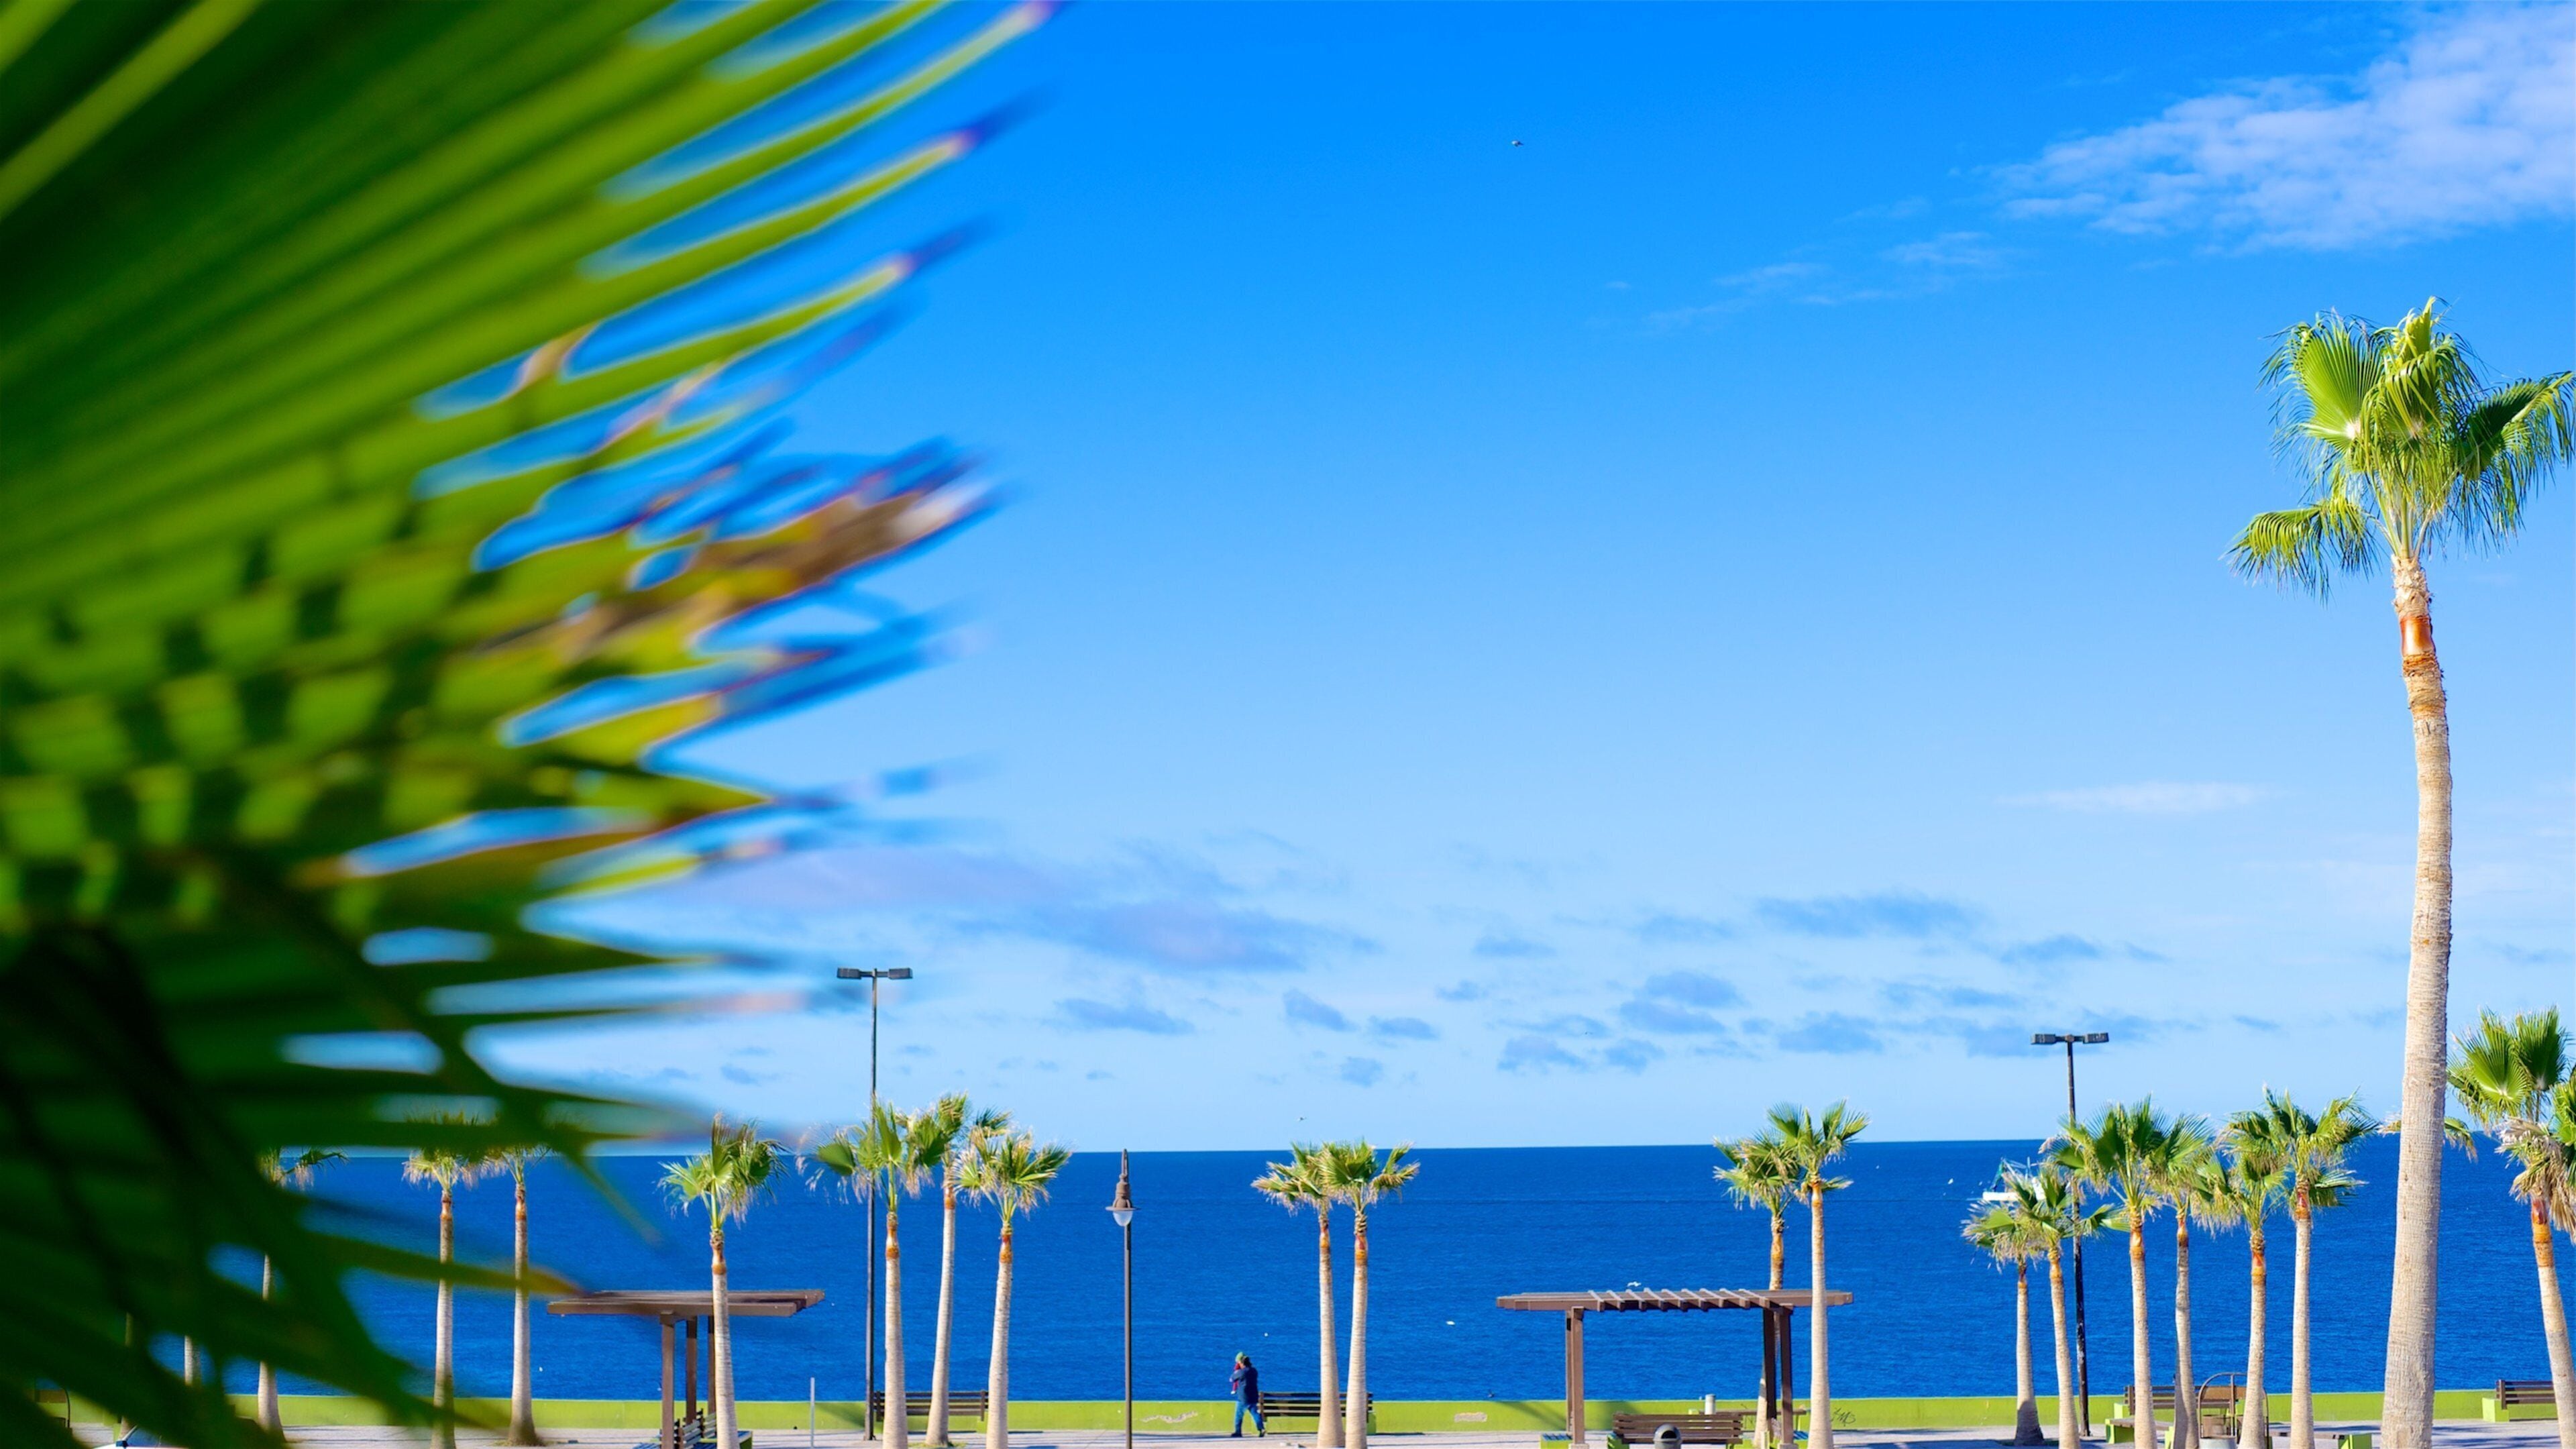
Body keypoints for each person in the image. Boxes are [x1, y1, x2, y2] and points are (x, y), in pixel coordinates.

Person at [1230, 1352, 1265, 1438]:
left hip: (1243, 1397)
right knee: (1255, 1414)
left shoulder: (1241, 1372)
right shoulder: (1254, 1371)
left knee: (1238, 1415)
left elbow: (1232, 1379)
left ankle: (1238, 1432)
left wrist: (1236, 1370)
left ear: (1241, 1362)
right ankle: (1261, 1429)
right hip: (1253, 1396)